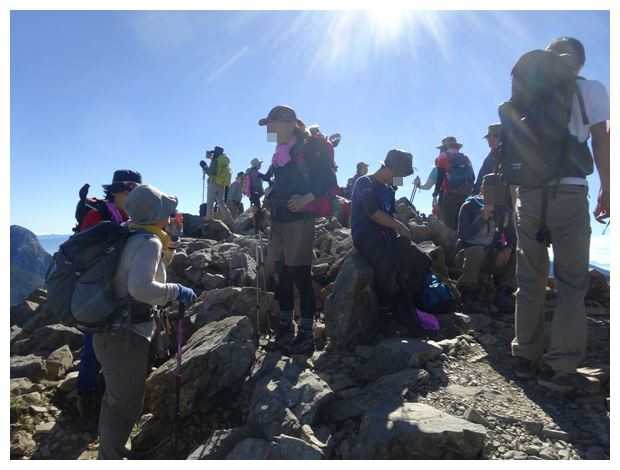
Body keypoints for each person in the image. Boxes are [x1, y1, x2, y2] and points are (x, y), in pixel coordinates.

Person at [510, 37, 609, 394]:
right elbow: (601, 138)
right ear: (579, 62)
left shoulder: (530, 92)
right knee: (571, 283)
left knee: (529, 278)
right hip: (568, 191)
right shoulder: (589, 88)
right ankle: (560, 368)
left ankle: (524, 357)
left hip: (528, 193)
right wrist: (607, 187)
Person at [93, 184, 197, 459]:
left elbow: (146, 271)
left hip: (111, 329)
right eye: (166, 211)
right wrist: (176, 291)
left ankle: (113, 450)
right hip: (125, 334)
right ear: (155, 214)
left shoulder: (130, 232)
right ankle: (111, 457)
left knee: (119, 398)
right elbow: (140, 287)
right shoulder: (148, 242)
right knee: (123, 403)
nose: (170, 215)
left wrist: (170, 241)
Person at [258, 105, 334, 355]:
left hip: (300, 220)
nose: (268, 129)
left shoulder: (307, 147)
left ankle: (306, 334)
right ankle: (285, 328)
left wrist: (305, 199)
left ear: (289, 124)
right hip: (280, 219)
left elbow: (327, 180)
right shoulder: (281, 152)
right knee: (282, 273)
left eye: (271, 124)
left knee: (299, 274)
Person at [76, 169, 142, 430]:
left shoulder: (128, 215)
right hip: (96, 291)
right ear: (116, 191)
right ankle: (87, 401)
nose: (134, 197)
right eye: (130, 191)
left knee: (110, 344)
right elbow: (85, 252)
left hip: (118, 291)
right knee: (92, 346)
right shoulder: (97, 215)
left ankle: (105, 394)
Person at [351, 149, 431, 335]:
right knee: (386, 263)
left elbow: (390, 214)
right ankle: (384, 312)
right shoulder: (365, 182)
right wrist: (399, 226)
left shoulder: (388, 189)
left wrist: (399, 229)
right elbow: (373, 213)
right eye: (399, 175)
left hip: (387, 235)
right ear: (388, 168)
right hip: (366, 235)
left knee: (420, 259)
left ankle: (412, 306)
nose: (399, 180)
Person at [455, 173, 516, 313]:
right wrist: (482, 218)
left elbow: (512, 237)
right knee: (476, 251)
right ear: (482, 189)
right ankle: (468, 294)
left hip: (490, 255)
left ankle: (504, 292)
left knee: (517, 254)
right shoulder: (469, 206)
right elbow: (463, 235)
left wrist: (508, 248)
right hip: (467, 255)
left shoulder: (503, 211)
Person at [433, 137, 475, 230]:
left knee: (448, 224)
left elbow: (440, 177)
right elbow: (472, 176)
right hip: (465, 194)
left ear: (445, 147)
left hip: (450, 194)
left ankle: (451, 238)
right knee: (461, 222)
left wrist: (435, 193)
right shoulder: (465, 158)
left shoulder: (443, 156)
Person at [205, 145, 234, 226]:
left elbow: (211, 172)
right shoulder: (224, 159)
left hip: (213, 182)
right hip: (222, 184)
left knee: (210, 202)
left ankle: (209, 218)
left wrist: (205, 167)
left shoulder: (216, 160)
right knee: (221, 203)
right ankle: (230, 221)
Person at [473, 124, 502, 194]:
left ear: (499, 138)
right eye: (488, 138)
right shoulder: (491, 156)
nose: (488, 140)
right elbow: (481, 177)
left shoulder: (505, 154)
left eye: (490, 137)